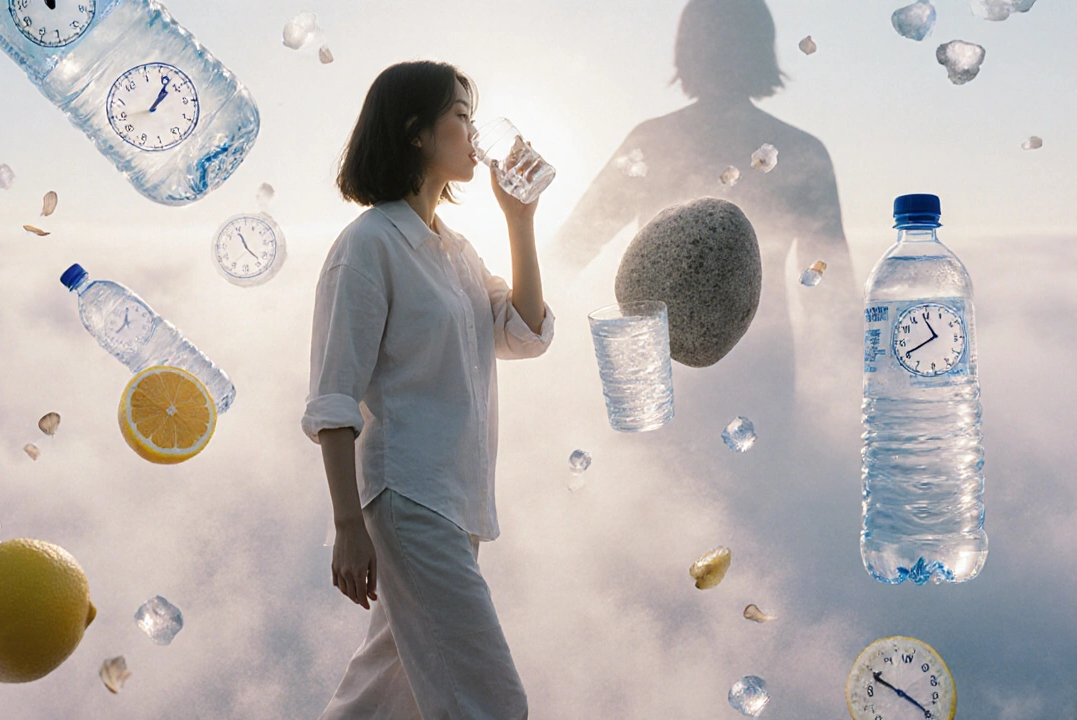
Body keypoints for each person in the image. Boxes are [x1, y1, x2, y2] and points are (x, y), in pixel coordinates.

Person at [301, 60, 553, 720]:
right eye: (462, 118)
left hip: (454, 503)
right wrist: (348, 525)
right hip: (409, 500)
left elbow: (525, 332)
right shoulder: (370, 245)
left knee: (383, 695)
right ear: (416, 131)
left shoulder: (458, 252)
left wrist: (520, 219)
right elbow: (333, 400)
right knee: (491, 702)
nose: (474, 133)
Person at [551, 0, 857, 446]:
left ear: (685, 51)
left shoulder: (653, 141)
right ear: (763, 51)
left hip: (664, 381)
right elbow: (838, 297)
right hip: (752, 383)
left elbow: (570, 248)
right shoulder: (800, 150)